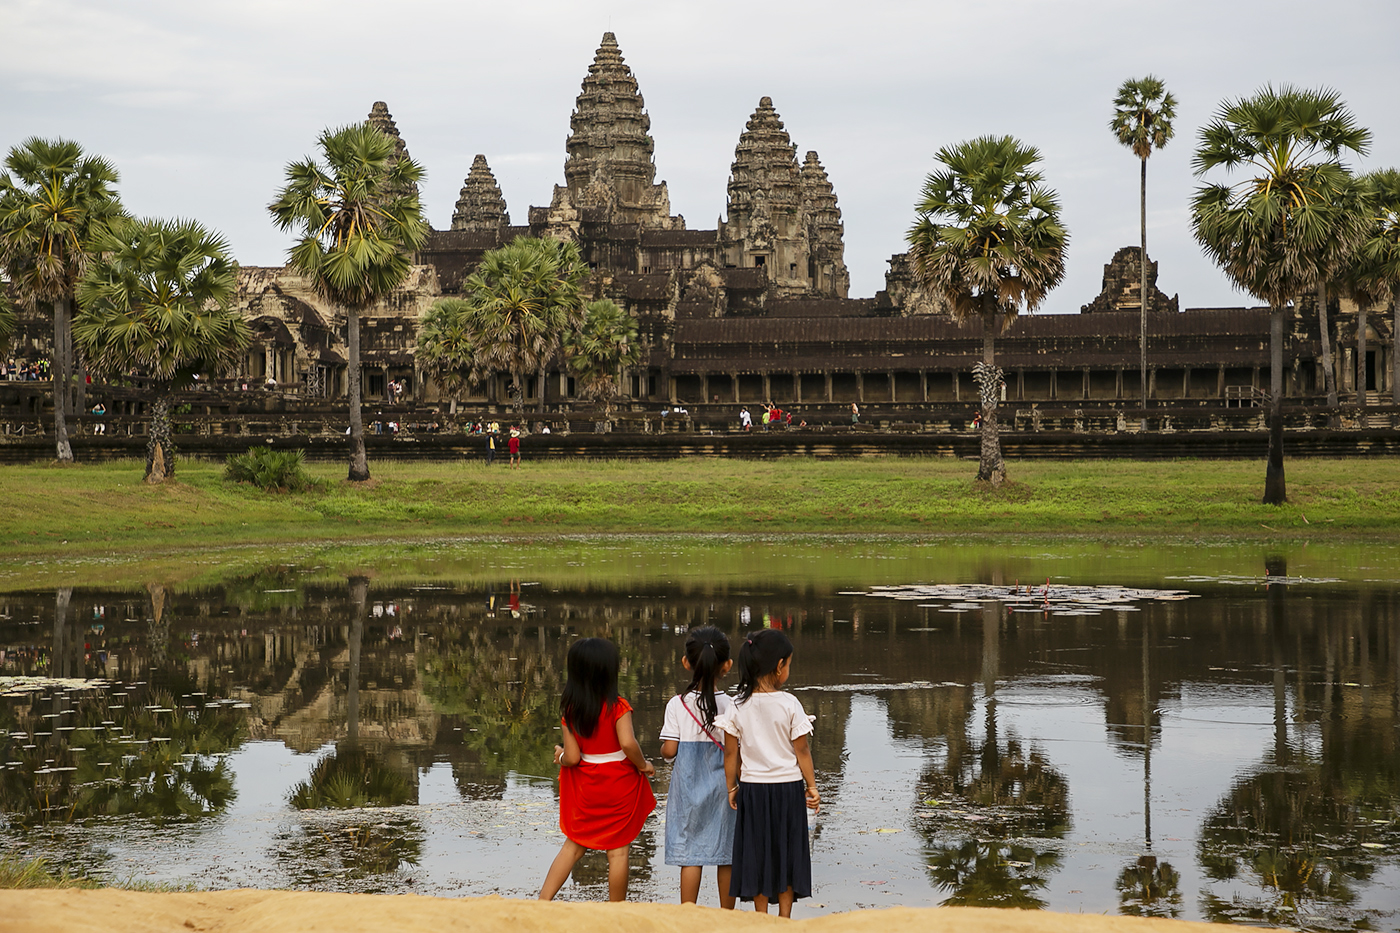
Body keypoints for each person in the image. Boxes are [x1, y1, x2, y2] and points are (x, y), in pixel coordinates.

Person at [539, 638, 656, 902]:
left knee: (572, 846)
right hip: (618, 785)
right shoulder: (618, 706)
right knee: (618, 852)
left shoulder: (570, 709)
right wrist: (643, 765)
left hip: (587, 787)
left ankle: (543, 901)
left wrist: (560, 757)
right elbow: (627, 743)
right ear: (610, 672)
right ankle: (616, 909)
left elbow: (573, 757)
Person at [716, 629, 818, 918]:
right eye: (789, 664)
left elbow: (731, 754)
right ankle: (784, 919)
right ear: (779, 666)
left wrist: (731, 786)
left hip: (753, 790)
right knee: (786, 852)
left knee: (758, 853)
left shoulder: (737, 706)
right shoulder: (789, 704)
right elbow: (802, 752)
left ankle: (761, 917)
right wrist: (812, 786)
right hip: (787, 790)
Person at [660, 627, 737, 909]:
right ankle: (727, 917)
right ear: (726, 666)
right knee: (726, 851)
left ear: (686, 662)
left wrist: (664, 751)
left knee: (691, 854)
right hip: (725, 787)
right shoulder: (732, 705)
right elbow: (735, 749)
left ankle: (687, 913)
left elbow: (669, 751)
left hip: (689, 788)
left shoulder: (677, 704)